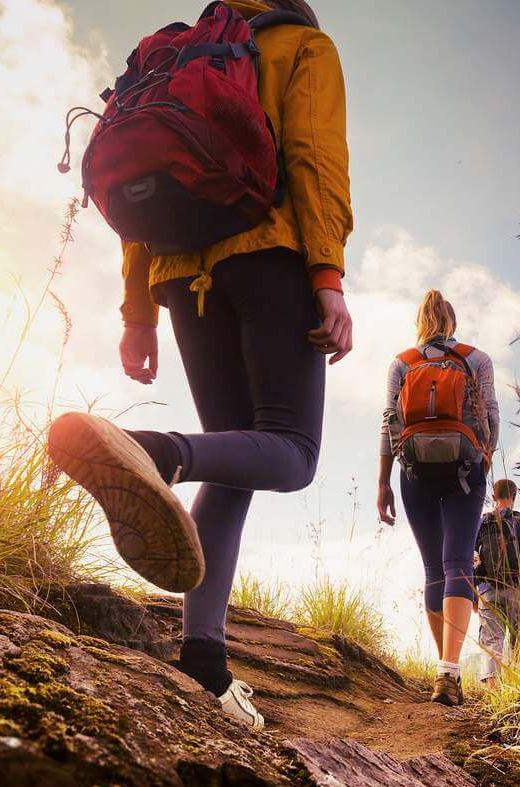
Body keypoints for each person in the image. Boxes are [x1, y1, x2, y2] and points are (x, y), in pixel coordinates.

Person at [46, 0, 351, 732]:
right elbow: (314, 156)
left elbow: (137, 192)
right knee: (293, 451)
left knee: (237, 458)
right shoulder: (302, 45)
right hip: (269, 255)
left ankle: (203, 661)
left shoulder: (178, 55)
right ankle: (154, 453)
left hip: (179, 273)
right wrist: (329, 277)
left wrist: (137, 313)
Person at [377, 290, 499, 706]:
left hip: (414, 473)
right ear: (452, 322)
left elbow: (388, 425)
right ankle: (449, 668)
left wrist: (384, 482)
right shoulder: (476, 358)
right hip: (465, 470)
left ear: (420, 323)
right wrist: (483, 462)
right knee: (458, 564)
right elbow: (492, 416)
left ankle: (444, 670)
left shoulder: (403, 363)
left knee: (434, 569)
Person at [473, 479, 520, 689]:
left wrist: (472, 594)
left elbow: (471, 557)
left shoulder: (481, 522)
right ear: (514, 497)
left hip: (488, 590)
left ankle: (493, 690)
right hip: (518, 590)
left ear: (494, 496)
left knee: (491, 640)